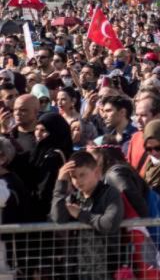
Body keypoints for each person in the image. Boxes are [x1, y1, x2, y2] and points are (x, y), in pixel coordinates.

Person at [50, 151, 125, 279]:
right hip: (77, 269)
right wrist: (60, 183)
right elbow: (58, 218)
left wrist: (80, 214)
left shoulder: (110, 193)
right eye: (73, 177)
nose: (78, 181)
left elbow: (109, 224)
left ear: (96, 172)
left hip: (106, 269)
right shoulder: (73, 198)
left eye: (82, 175)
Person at [29, 112, 74, 222]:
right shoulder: (40, 150)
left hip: (45, 213)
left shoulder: (53, 156)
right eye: (36, 129)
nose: (38, 134)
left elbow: (44, 189)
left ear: (55, 132)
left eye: (43, 130)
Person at [88, 140, 150, 218]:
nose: (88, 159)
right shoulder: (115, 171)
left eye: (91, 154)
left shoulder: (115, 175)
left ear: (101, 155)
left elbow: (134, 203)